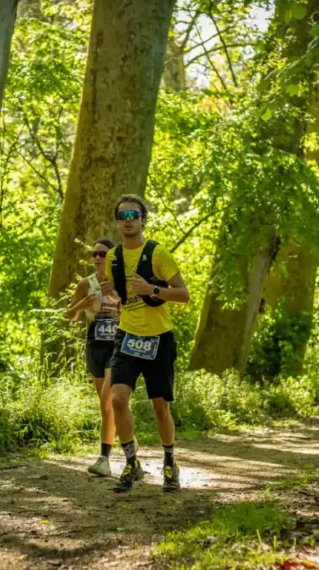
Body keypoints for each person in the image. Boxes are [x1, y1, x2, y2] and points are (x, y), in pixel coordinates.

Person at [100, 194, 189, 493]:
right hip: (127, 336)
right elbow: (119, 298)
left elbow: (183, 294)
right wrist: (111, 292)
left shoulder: (158, 253)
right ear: (117, 222)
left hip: (159, 338)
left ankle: (170, 462)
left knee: (160, 407)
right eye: (122, 216)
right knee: (117, 400)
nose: (128, 221)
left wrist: (152, 288)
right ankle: (131, 463)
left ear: (142, 219)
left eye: (133, 215)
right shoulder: (113, 257)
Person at [67, 238, 119, 477]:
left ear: (112, 257)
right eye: (94, 254)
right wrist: (80, 305)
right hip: (95, 346)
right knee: (108, 406)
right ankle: (131, 444)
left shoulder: (121, 282)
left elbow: (136, 311)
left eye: (103, 254)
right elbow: (70, 316)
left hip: (118, 346)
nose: (97, 257)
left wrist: (119, 299)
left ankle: (103, 460)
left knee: (107, 402)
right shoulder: (85, 284)